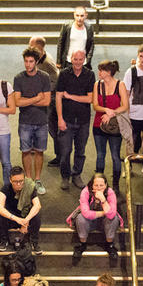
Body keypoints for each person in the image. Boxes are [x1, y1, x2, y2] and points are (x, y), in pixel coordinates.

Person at [55, 49, 95, 190]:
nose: (78, 62)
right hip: (67, 119)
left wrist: (70, 96)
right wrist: (60, 118)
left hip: (83, 121)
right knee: (65, 152)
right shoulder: (64, 74)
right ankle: (65, 177)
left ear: (84, 60)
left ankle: (76, 175)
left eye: (80, 59)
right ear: (71, 59)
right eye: (75, 59)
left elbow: (90, 99)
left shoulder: (90, 75)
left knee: (80, 151)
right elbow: (59, 96)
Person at [14, 47, 52, 195]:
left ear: (36, 62)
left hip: (41, 121)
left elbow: (47, 101)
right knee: (26, 151)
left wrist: (27, 100)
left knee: (39, 152)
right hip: (25, 122)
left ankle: (37, 179)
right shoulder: (18, 78)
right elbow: (17, 102)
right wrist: (36, 98)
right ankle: (28, 180)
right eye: (26, 61)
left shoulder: (44, 77)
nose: (28, 64)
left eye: (31, 61)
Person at [92, 60, 130, 191]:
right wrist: (105, 110)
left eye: (101, 70)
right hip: (99, 125)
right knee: (100, 155)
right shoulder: (97, 85)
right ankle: (98, 185)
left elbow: (125, 106)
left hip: (115, 126)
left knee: (115, 155)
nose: (99, 73)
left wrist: (111, 113)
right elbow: (95, 105)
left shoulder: (120, 85)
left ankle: (115, 186)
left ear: (108, 72)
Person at [71, 172, 122, 263]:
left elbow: (111, 215)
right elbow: (86, 213)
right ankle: (82, 244)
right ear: (92, 185)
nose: (99, 188)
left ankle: (109, 245)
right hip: (89, 221)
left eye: (101, 185)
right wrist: (104, 212)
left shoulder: (110, 192)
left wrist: (103, 200)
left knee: (113, 219)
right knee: (81, 218)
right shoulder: (85, 191)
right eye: (96, 185)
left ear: (106, 185)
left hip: (104, 222)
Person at [28, 35, 60, 165]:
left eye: (31, 46)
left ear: (39, 48)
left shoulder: (47, 63)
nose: (29, 48)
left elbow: (56, 81)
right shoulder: (39, 58)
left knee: (53, 128)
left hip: (50, 100)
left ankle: (60, 157)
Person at [0, 165, 42, 253]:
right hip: (13, 218)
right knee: (0, 215)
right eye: (15, 182)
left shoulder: (30, 186)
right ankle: (4, 240)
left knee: (37, 215)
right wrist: (17, 220)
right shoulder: (5, 188)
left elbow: (37, 205)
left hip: (25, 217)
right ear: (10, 180)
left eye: (21, 181)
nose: (18, 184)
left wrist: (25, 221)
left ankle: (34, 242)